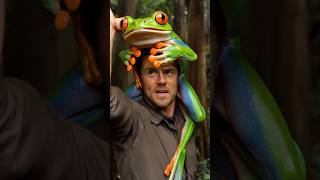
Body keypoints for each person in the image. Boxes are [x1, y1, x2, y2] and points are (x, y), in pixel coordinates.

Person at [109, 10, 198, 179]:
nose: (161, 80)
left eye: (168, 72)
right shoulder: (133, 119)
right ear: (139, 78)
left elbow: (192, 55)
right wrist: (109, 31)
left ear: (178, 77)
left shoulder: (185, 119)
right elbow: (111, 102)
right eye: (151, 72)